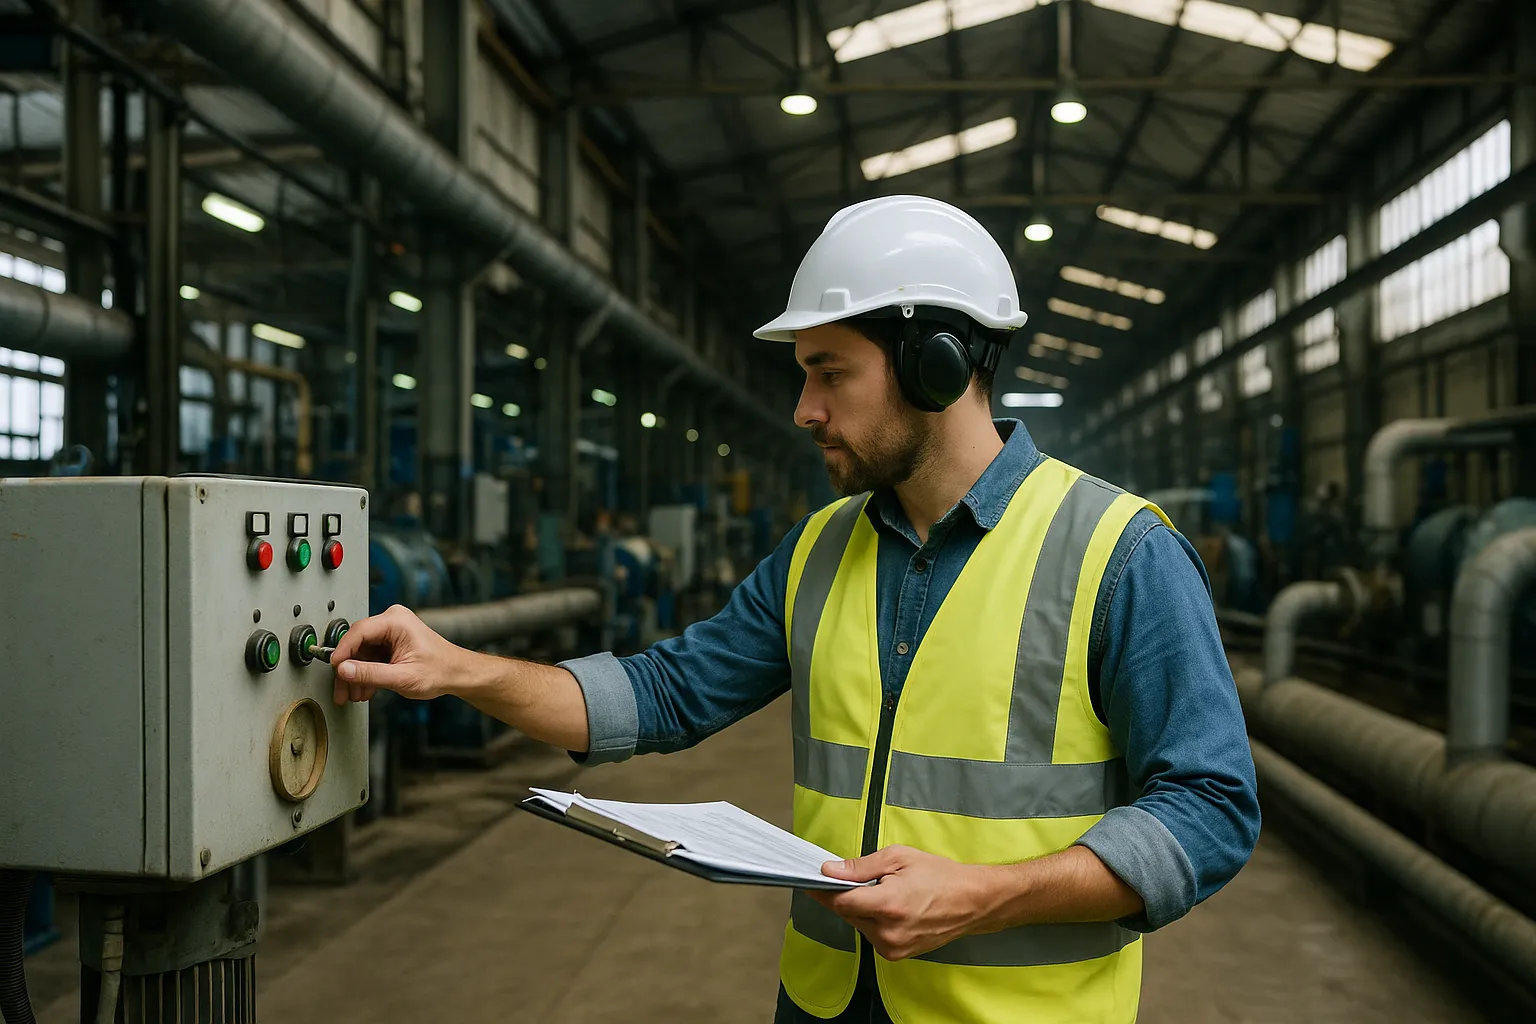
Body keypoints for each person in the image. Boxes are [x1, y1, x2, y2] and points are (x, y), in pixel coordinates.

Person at [330, 195, 1260, 1023]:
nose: (804, 409)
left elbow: (1211, 807)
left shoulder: (1119, 552)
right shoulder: (819, 549)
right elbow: (667, 693)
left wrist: (989, 893)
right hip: (823, 1004)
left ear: (935, 367)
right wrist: (455, 667)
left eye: (829, 372)